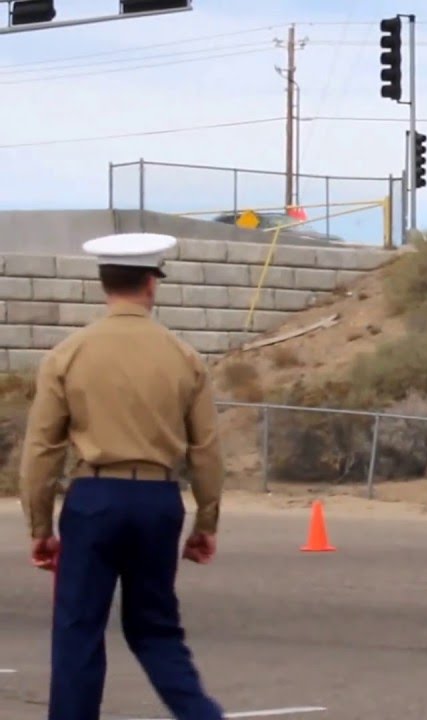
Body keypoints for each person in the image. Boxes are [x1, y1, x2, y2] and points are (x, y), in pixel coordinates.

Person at [19, 232, 225, 720]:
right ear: (151, 283)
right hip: (157, 500)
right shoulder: (184, 357)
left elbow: (42, 449)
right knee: (155, 628)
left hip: (93, 497)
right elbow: (206, 449)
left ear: (103, 283)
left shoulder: (68, 354)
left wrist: (40, 527)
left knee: (78, 630)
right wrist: (207, 522)